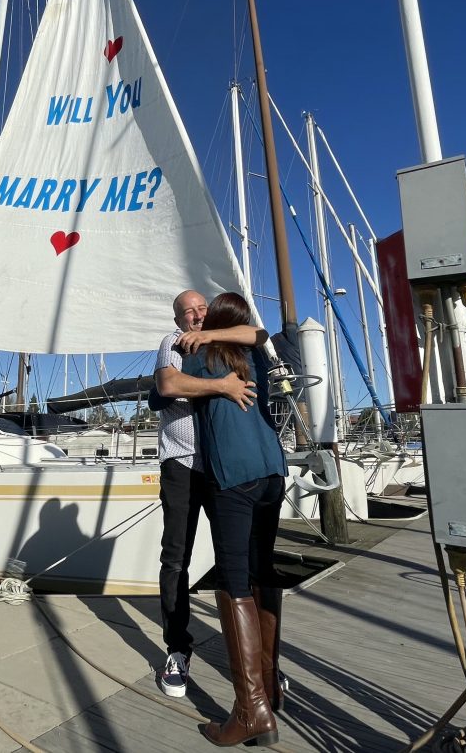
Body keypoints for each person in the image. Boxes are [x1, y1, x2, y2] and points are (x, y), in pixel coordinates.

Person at [180, 292, 288, 748]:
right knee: (262, 571)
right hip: (272, 471)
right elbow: (258, 333)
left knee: (234, 580)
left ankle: (251, 710)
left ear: (216, 322)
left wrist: (203, 341)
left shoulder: (202, 353)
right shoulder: (252, 353)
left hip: (235, 477)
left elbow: (165, 388)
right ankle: (269, 688)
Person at [153, 289, 266, 698]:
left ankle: (255, 664)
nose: (196, 317)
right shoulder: (173, 343)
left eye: (202, 309)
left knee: (235, 564)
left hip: (222, 466)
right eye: (188, 313)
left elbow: (260, 334)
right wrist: (221, 386)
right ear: (179, 320)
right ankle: (178, 649)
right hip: (182, 464)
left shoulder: (224, 342)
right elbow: (168, 384)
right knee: (176, 557)